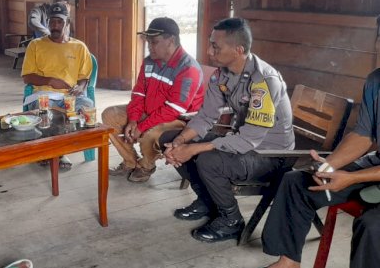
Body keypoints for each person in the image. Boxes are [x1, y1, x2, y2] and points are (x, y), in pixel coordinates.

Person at [160, 17, 295, 243]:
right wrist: (181, 142)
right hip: (242, 144)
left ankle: (231, 220)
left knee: (207, 160)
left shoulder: (263, 81)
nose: (209, 51)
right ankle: (207, 201)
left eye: (216, 46)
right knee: (169, 137)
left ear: (238, 50)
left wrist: (193, 150)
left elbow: (248, 140)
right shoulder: (221, 74)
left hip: (270, 155)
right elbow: (205, 116)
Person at [261, 69, 380, 268]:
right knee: (297, 182)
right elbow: (363, 135)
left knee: (373, 227)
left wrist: (354, 178)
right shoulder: (375, 80)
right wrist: (328, 166)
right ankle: (288, 262)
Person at [101, 17, 205, 182]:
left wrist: (141, 127)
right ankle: (131, 161)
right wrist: (134, 120)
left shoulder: (188, 69)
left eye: (154, 42)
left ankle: (146, 165)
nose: (149, 47)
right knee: (109, 115)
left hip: (178, 120)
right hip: (150, 113)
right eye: (148, 42)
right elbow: (139, 93)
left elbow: (173, 110)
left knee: (150, 134)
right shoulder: (149, 62)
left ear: (171, 40)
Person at [21, 2, 93, 170]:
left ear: (67, 23)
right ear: (47, 23)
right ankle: (58, 153)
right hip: (44, 95)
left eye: (59, 22)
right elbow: (27, 77)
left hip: (71, 96)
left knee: (87, 108)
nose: (55, 26)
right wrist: (50, 80)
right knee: (47, 114)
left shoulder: (79, 47)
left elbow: (84, 77)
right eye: (52, 21)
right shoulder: (36, 45)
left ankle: (59, 150)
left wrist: (81, 87)